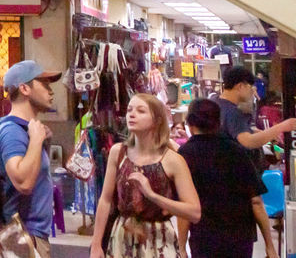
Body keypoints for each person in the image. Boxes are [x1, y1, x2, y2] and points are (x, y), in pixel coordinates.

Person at [90, 93, 201, 258]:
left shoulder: (173, 159)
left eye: (141, 111)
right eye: (129, 110)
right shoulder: (118, 152)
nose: (132, 114)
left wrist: (152, 196)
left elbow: (194, 212)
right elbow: (105, 200)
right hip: (123, 237)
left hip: (159, 240)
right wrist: (96, 244)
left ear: (156, 120)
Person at [176, 98, 276, 258]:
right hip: (240, 238)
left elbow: (184, 209)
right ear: (218, 122)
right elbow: (256, 201)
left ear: (190, 124)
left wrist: (181, 248)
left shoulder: (185, 155)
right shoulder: (237, 151)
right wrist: (270, 246)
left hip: (204, 239)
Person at [0, 59, 61, 257]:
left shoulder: (26, 129)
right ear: (24, 88)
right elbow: (23, 182)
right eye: (44, 85)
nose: (51, 91)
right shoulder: (12, 131)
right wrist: (36, 140)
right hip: (23, 238)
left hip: (32, 236)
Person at [213, 65, 296, 174]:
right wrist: (283, 126)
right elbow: (249, 141)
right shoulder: (233, 112)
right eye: (251, 86)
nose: (253, 90)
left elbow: (230, 134)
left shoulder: (216, 104)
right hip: (234, 176)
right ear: (240, 86)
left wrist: (261, 133)